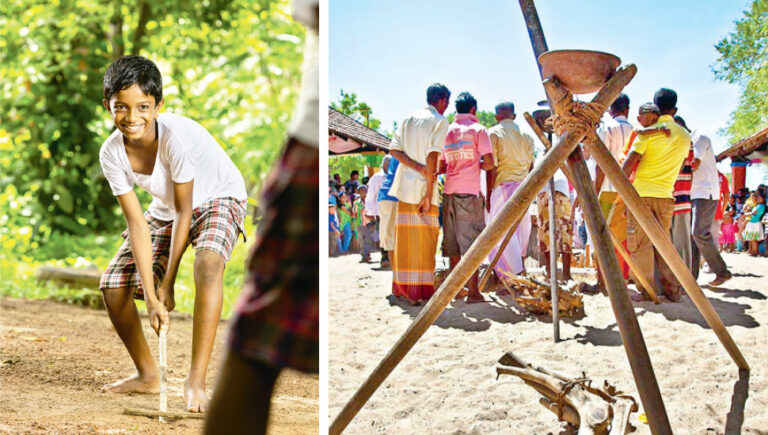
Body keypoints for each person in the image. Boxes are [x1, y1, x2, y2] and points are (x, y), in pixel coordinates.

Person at [98, 56, 248, 412]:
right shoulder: (111, 153)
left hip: (217, 196)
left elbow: (188, 211)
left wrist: (167, 282)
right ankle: (148, 374)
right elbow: (137, 223)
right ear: (108, 106)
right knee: (113, 287)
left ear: (158, 106)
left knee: (208, 265)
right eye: (121, 107)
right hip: (166, 209)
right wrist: (150, 295)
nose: (132, 118)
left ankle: (196, 382)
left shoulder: (174, 140)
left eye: (143, 107)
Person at [206, 0, 318, 431]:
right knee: (256, 342)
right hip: (307, 143)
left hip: (294, 155)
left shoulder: (187, 146)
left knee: (255, 343)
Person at [621, 89, 691, 301]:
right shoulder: (684, 136)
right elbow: (678, 169)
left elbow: (627, 166)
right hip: (666, 196)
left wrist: (622, 194)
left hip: (641, 194)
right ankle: (673, 290)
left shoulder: (650, 131)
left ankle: (647, 291)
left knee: (640, 245)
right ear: (675, 109)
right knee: (664, 245)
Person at [388, 83, 450, 305]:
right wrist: (428, 190)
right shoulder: (440, 121)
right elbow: (433, 156)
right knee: (425, 241)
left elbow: (393, 150)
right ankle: (420, 293)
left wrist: (415, 167)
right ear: (443, 101)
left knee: (406, 241)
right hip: (425, 188)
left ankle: (404, 290)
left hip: (405, 188)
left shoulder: (408, 118)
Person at [439, 92, 494, 303]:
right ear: (473, 110)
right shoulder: (479, 130)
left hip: (449, 192)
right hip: (469, 192)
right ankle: (473, 291)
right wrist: (474, 164)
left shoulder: (447, 131)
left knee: (452, 244)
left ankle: (455, 290)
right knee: (472, 243)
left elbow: (442, 165)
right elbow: (489, 163)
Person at [589, 94, 633, 291]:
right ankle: (622, 278)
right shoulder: (637, 131)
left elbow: (599, 164)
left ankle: (603, 281)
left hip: (607, 190)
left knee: (602, 236)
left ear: (609, 110)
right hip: (629, 192)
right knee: (624, 237)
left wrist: (595, 191)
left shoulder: (607, 128)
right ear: (627, 109)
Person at [485, 101, 534, 278]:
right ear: (513, 115)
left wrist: (489, 194)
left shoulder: (493, 133)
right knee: (520, 231)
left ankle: (510, 275)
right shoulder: (527, 136)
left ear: (497, 116)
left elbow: (493, 168)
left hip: (503, 187)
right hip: (524, 188)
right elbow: (531, 166)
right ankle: (519, 271)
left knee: (501, 232)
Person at [690, 126, 732, 284]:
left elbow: (694, 164)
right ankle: (690, 278)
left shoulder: (700, 138)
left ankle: (721, 271)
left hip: (705, 194)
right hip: (695, 194)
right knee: (692, 237)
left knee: (699, 233)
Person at [537, 170, 573, 281]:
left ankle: (552, 273)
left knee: (548, 232)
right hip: (555, 190)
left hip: (549, 188)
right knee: (563, 233)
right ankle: (563, 274)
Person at [670, 115, 694, 272]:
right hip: (680, 198)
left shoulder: (682, 141)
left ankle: (683, 284)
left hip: (676, 198)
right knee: (679, 244)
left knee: (679, 244)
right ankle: (681, 284)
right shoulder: (687, 142)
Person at [377, 155, 399, 269]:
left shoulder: (399, 151)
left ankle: (396, 277)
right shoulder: (403, 151)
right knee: (392, 240)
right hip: (392, 196)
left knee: (392, 238)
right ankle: (395, 277)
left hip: (388, 196)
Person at [742, 191, 766, 256]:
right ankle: (753, 251)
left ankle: (754, 252)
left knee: (753, 239)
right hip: (752, 223)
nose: (758, 199)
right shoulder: (757, 205)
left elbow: (753, 213)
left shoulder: (761, 206)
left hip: (755, 223)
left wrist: (746, 214)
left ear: (763, 199)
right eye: (758, 198)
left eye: (759, 198)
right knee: (752, 239)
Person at [357, 185, 376, 262]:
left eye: (365, 190)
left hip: (369, 222)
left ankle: (366, 254)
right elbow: (354, 213)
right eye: (361, 190)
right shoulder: (356, 202)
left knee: (367, 239)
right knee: (361, 239)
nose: (363, 192)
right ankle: (363, 253)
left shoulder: (370, 201)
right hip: (360, 222)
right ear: (358, 192)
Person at [713, 171, 730, 252]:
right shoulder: (722, 177)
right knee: (714, 237)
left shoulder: (703, 171)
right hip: (717, 211)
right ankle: (713, 261)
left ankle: (702, 259)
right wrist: (722, 210)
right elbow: (726, 196)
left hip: (701, 211)